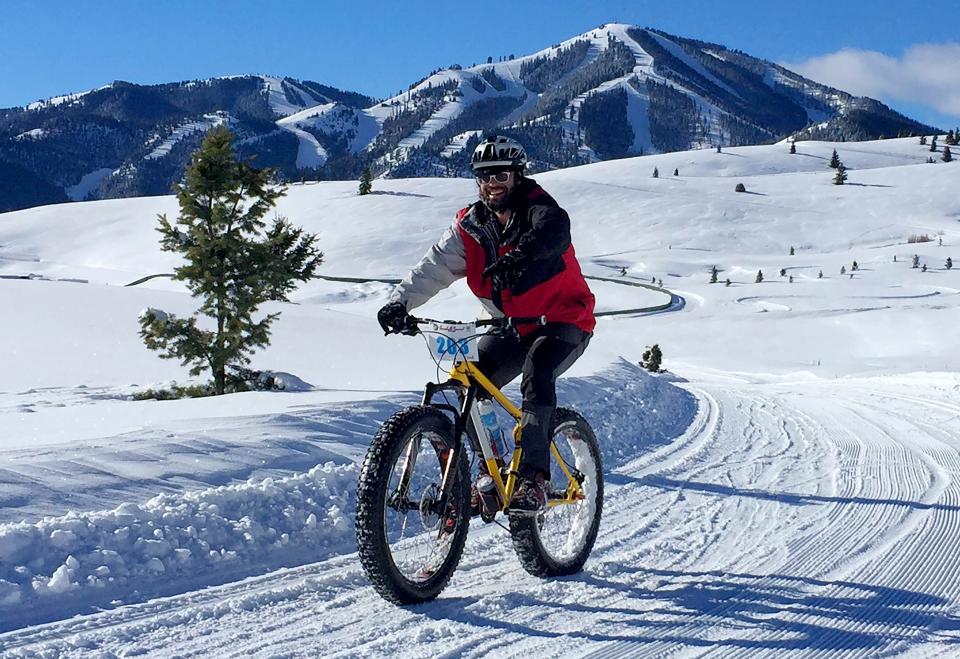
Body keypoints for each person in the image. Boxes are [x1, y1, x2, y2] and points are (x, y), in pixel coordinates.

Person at [377, 135, 595, 513]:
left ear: (518, 177)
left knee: (537, 374)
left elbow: (555, 231)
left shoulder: (539, 210)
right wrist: (399, 303)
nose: (492, 183)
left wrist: (522, 255)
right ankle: (488, 472)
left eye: (501, 175)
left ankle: (533, 480)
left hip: (563, 319)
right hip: (508, 324)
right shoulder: (471, 227)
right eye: (484, 176)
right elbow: (434, 267)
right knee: (472, 380)